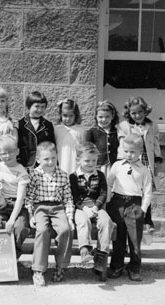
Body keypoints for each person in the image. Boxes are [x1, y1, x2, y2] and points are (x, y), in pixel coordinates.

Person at [26, 141, 74, 286]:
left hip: (57, 208)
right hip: (40, 207)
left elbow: (68, 199)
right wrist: (31, 215)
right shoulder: (34, 175)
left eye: (53, 158)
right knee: (42, 231)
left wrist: (70, 218)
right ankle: (38, 270)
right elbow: (29, 197)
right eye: (46, 159)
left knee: (66, 230)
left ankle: (61, 266)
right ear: (39, 159)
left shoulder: (63, 175)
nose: (50, 162)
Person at [106, 134, 152, 281]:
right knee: (118, 238)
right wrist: (108, 201)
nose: (129, 154)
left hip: (135, 205)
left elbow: (148, 192)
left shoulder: (144, 170)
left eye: (133, 151)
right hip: (117, 203)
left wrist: (143, 210)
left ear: (140, 152)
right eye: (126, 151)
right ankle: (116, 266)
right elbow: (109, 183)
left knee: (134, 239)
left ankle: (134, 268)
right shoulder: (117, 165)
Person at [117, 96, 162, 233]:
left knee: (146, 191)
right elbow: (122, 146)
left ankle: (147, 221)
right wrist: (122, 162)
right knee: (134, 191)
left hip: (147, 162)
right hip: (132, 162)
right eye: (133, 113)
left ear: (145, 111)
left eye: (140, 112)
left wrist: (157, 159)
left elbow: (155, 143)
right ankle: (135, 220)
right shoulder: (124, 126)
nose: (137, 115)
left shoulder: (152, 125)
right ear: (129, 113)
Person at [69, 142, 114, 277]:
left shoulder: (100, 175)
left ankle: (101, 254)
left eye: (94, 160)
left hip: (96, 206)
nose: (91, 163)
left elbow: (103, 193)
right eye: (87, 160)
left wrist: (95, 207)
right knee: (83, 222)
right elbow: (74, 196)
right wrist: (84, 208)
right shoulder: (73, 176)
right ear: (78, 160)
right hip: (80, 208)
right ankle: (85, 250)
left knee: (106, 222)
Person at [0, 135, 30, 259]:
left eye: (11, 152)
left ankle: (13, 256)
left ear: (17, 151)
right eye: (3, 153)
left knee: (19, 227)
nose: (7, 156)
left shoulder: (21, 171)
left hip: (19, 206)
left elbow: (20, 199)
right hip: (3, 203)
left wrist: (12, 219)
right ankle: (0, 254)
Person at [18, 91, 56, 167]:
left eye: (42, 107)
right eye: (37, 106)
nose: (40, 110)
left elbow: (52, 146)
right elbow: (17, 145)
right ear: (28, 106)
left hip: (43, 165)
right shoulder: (20, 124)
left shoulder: (48, 125)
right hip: (25, 164)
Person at [85, 100, 119, 177]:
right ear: (96, 116)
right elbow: (87, 149)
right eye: (100, 117)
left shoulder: (116, 131)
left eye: (107, 117)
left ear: (112, 116)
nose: (104, 120)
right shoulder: (92, 131)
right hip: (98, 165)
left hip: (113, 165)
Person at [54, 98, 85, 175]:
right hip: (61, 162)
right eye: (65, 115)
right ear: (60, 115)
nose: (68, 119)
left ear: (76, 115)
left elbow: (84, 149)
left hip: (75, 164)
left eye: (71, 116)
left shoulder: (81, 130)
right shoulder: (57, 129)